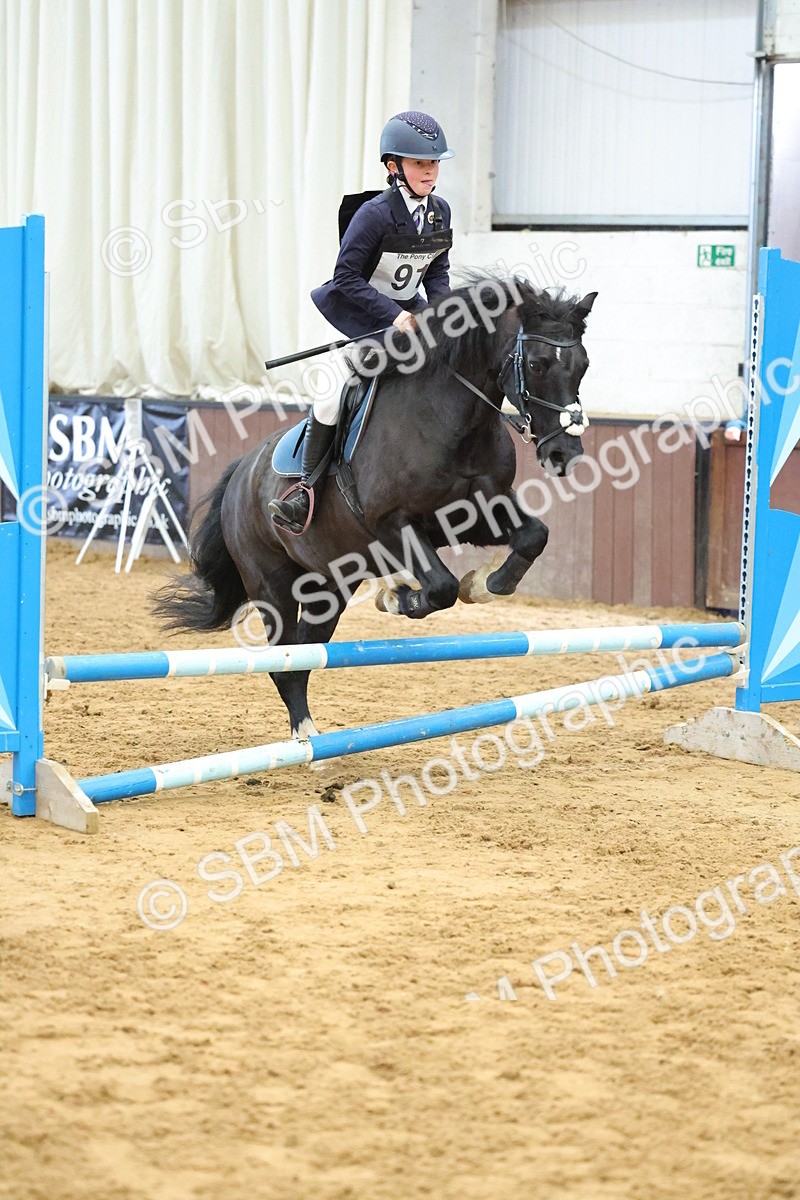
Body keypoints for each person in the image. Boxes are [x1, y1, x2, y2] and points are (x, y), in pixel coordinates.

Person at [269, 110, 455, 534]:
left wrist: (442, 315)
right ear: (394, 167)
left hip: (406, 317)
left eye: (434, 163)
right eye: (420, 163)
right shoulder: (373, 214)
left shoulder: (440, 211)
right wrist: (395, 315)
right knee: (333, 391)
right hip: (353, 319)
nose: (430, 172)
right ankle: (304, 490)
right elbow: (345, 278)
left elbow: (438, 271)